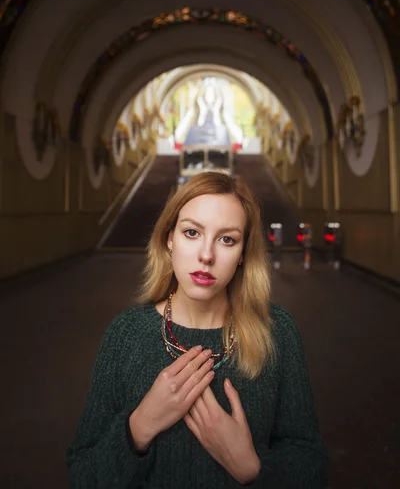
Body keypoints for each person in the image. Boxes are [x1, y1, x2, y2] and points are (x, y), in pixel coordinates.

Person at [67, 171, 327, 488]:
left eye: (227, 239)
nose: (206, 255)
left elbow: (311, 464)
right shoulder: (125, 334)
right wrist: (139, 426)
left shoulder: (277, 332)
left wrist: (251, 469)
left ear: (243, 253)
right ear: (169, 237)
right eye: (192, 233)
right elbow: (82, 475)